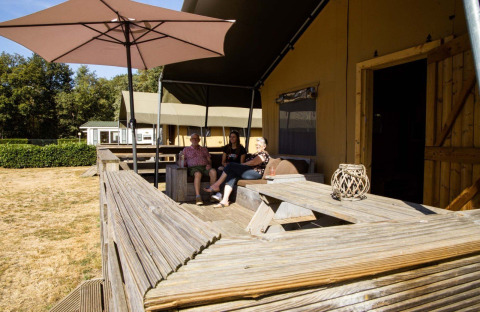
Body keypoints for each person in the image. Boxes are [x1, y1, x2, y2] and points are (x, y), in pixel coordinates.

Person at [204, 137, 269, 208]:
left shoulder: (264, 154)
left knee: (231, 165)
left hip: (255, 173)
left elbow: (253, 163)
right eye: (256, 145)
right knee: (232, 174)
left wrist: (240, 165)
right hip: (248, 171)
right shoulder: (256, 154)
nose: (257, 146)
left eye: (259, 145)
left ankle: (217, 185)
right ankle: (225, 200)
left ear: (264, 146)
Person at [181, 133, 217, 205]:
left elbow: (209, 159)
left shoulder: (204, 149)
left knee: (213, 171)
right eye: (193, 138)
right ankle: (198, 196)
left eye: (196, 138)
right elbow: (182, 161)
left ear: (199, 140)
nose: (195, 140)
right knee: (198, 174)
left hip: (205, 167)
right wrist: (182, 163)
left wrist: (209, 165)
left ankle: (212, 194)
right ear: (190, 140)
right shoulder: (186, 150)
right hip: (193, 168)